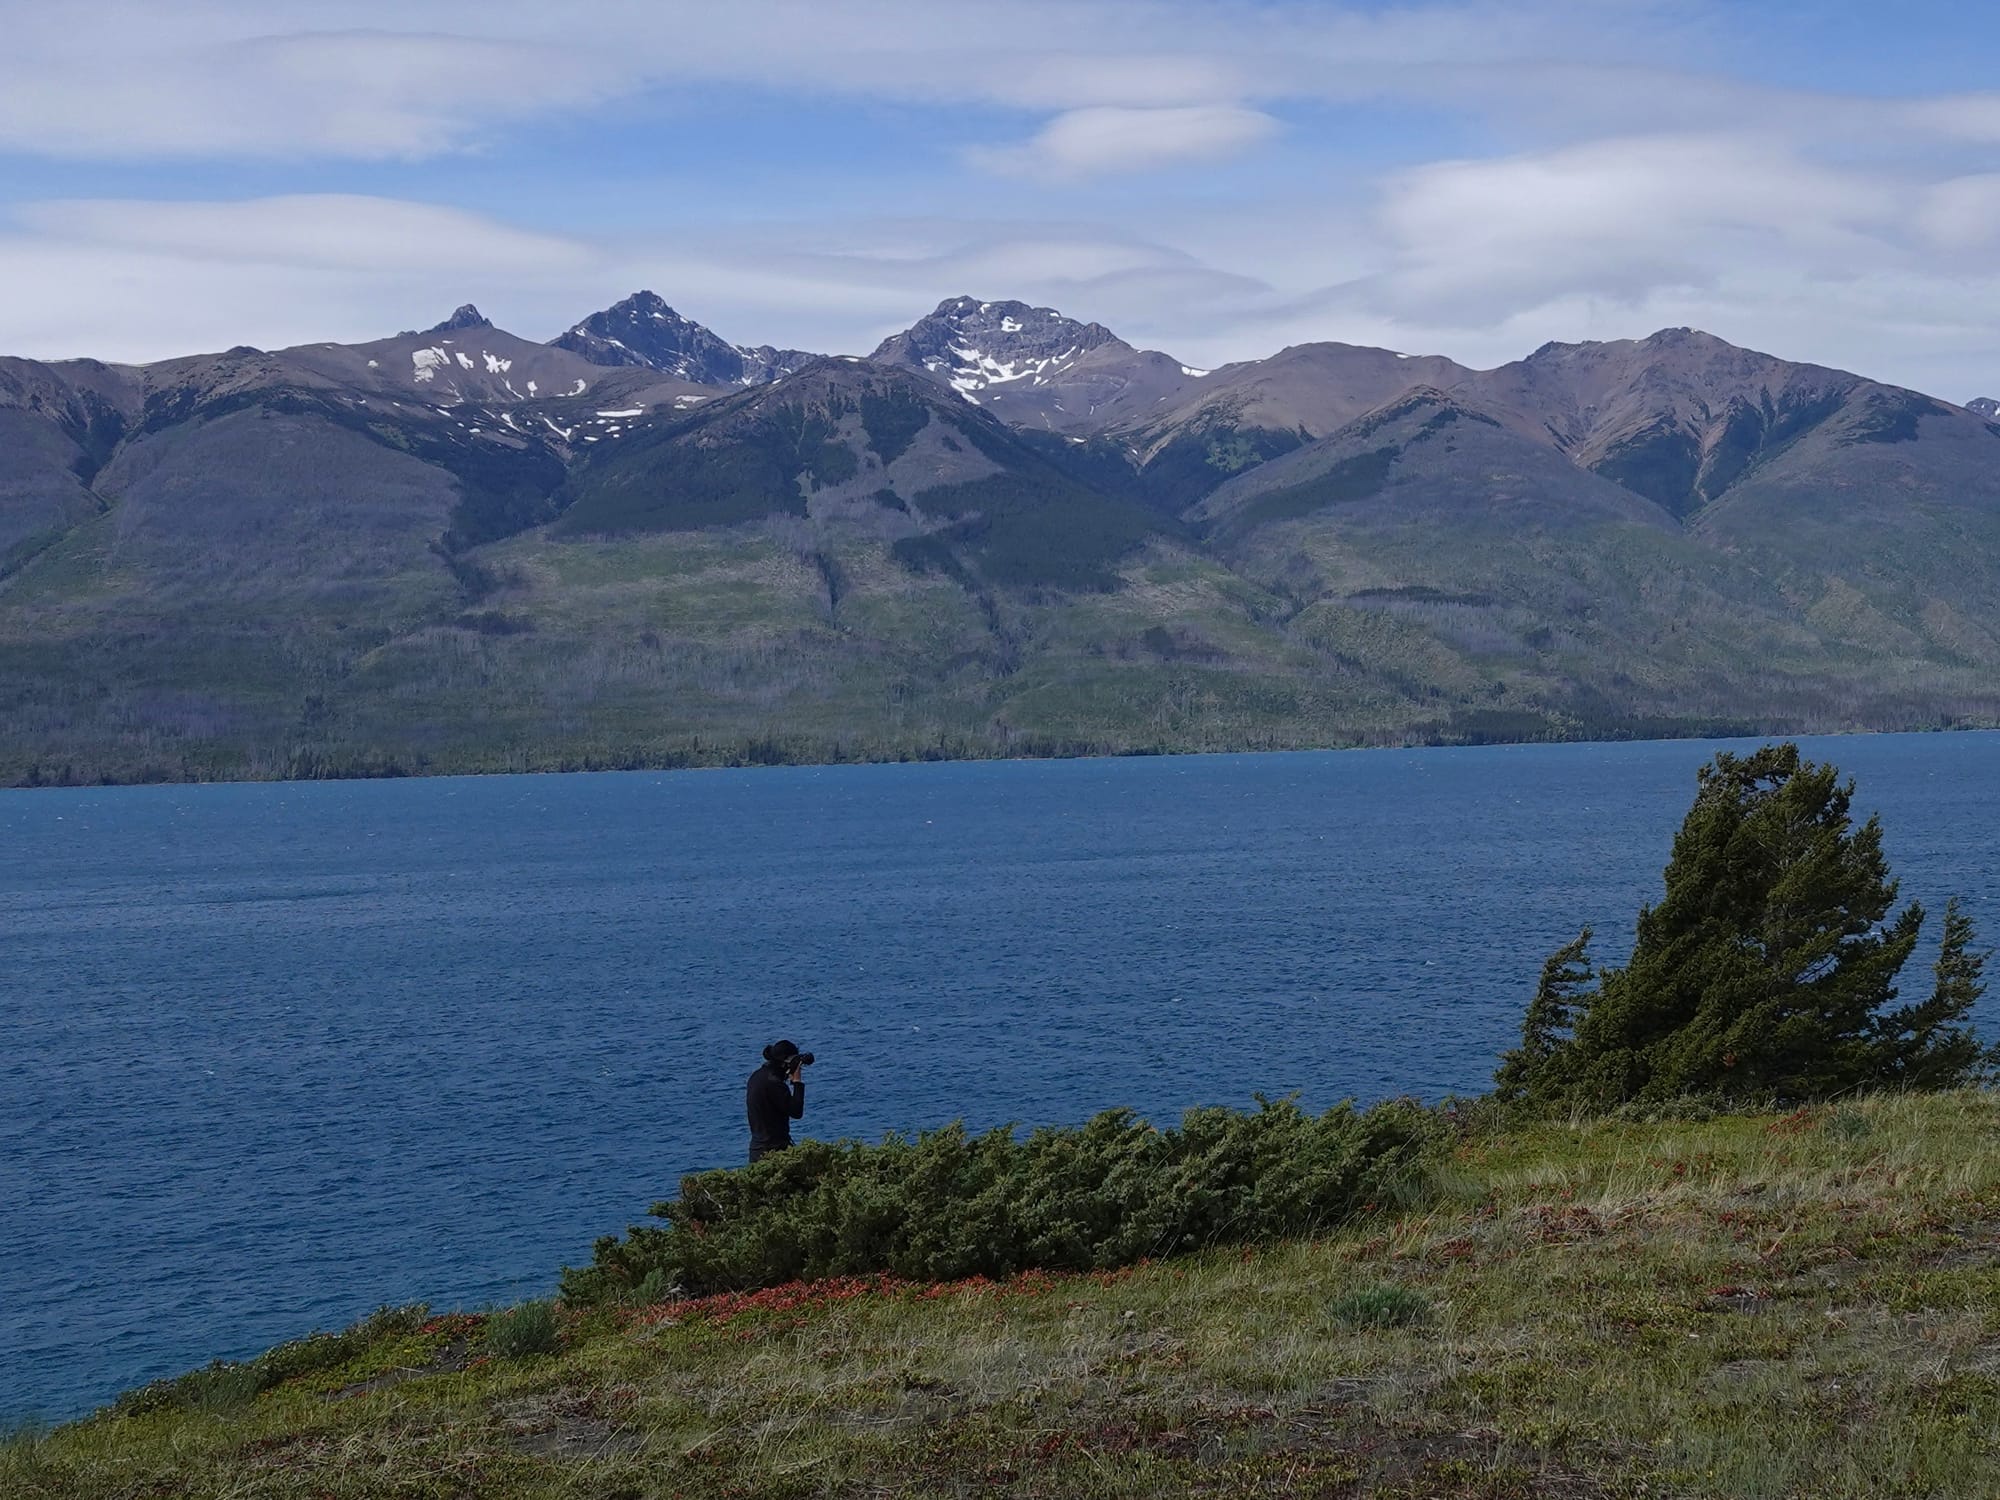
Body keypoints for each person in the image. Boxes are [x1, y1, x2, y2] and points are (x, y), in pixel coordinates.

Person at [745, 1039, 806, 1163]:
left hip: (757, 1150)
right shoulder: (774, 1083)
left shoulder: (756, 1076)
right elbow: (796, 1111)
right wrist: (797, 1082)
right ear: (786, 1063)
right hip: (774, 1151)